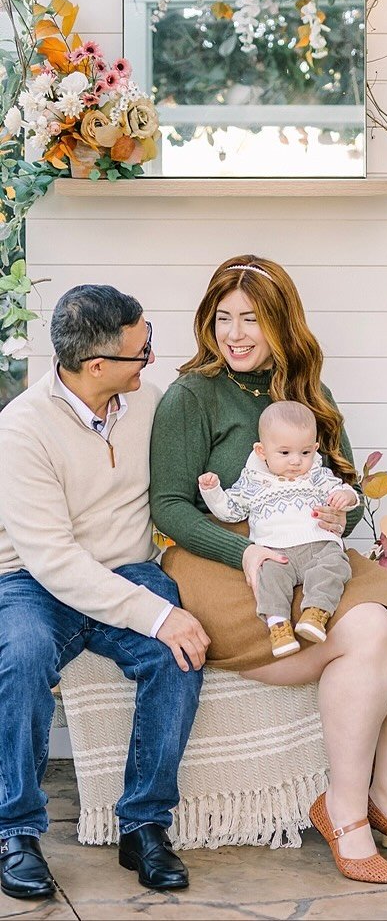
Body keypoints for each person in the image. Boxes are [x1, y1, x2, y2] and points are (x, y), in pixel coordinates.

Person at [150, 255, 387, 884]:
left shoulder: (310, 396)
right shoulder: (191, 396)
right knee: (369, 630)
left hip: (307, 546)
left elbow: (342, 486)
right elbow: (171, 506)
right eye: (224, 318)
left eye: (253, 320)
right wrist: (242, 550)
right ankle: (343, 813)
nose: (235, 334)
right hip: (222, 554)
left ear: (281, 326)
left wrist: (335, 513)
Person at [0, 286, 210, 902]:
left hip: (127, 568)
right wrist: (154, 613)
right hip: (35, 581)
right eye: (141, 351)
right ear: (98, 367)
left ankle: (144, 824)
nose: (151, 360)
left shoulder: (147, 399)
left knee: (181, 650)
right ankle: (14, 829)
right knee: (20, 657)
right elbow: (53, 558)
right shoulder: (21, 429)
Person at [198, 399, 359, 658]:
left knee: (335, 566)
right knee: (268, 578)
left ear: (315, 448)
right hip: (275, 551)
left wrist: (346, 498)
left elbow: (342, 488)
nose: (296, 461)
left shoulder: (316, 475)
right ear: (262, 451)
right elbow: (230, 511)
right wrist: (212, 491)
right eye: (284, 453)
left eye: (305, 452)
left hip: (318, 545)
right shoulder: (253, 482)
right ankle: (279, 626)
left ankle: (315, 614)